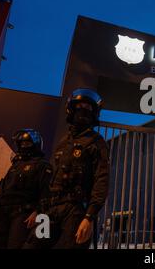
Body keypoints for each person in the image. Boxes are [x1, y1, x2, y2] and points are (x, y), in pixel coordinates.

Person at [24, 88, 109, 249]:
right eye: (80, 106)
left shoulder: (97, 142)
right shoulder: (63, 142)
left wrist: (89, 217)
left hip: (76, 211)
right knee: (34, 245)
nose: (83, 111)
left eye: (89, 108)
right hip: (50, 211)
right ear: (71, 109)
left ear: (94, 113)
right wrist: (39, 210)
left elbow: (101, 180)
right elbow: (52, 181)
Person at [0, 129, 52, 249]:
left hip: (22, 214)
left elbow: (46, 193)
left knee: (15, 245)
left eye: (26, 143)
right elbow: (2, 192)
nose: (23, 146)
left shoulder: (43, 165)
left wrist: (37, 212)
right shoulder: (15, 166)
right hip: (2, 214)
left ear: (35, 144)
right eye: (21, 143)